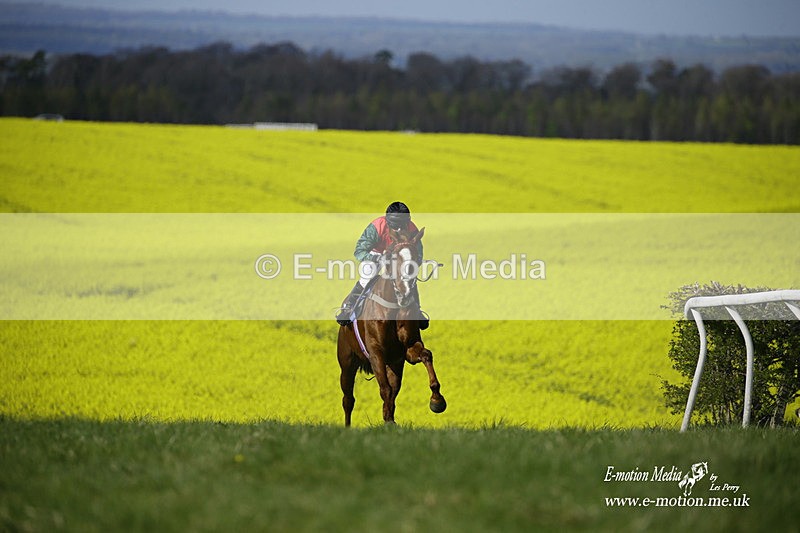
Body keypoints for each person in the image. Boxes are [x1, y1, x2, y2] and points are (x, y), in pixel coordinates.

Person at [336, 201, 428, 329]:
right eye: (396, 226)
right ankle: (349, 307)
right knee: (367, 276)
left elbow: (418, 253)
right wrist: (376, 258)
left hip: (398, 256)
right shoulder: (377, 226)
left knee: (407, 278)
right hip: (376, 253)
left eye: (402, 226)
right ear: (388, 222)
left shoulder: (412, 229)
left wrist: (411, 266)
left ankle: (417, 312)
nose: (400, 230)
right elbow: (359, 251)